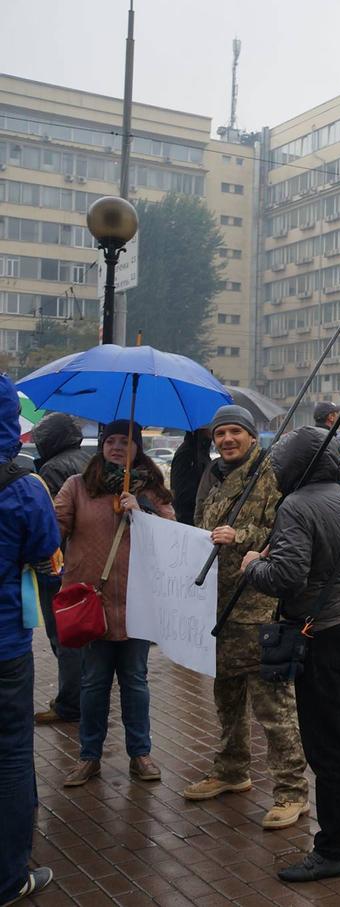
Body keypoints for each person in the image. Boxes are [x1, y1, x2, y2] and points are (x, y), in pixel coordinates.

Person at [241, 427, 340, 882]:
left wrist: (251, 565)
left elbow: (286, 576)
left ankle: (335, 848)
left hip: (327, 634)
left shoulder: (297, 505)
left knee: (329, 744)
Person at [182, 405, 310, 828]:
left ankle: (292, 792)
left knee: (274, 708)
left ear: (253, 437)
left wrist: (244, 536)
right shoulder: (214, 479)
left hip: (259, 610)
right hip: (218, 611)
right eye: (221, 434)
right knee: (227, 701)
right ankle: (232, 771)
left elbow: (286, 535)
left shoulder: (272, 476)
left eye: (236, 432)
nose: (227, 440)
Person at [54, 419, 175, 787]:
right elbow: (54, 527)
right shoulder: (77, 487)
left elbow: (172, 532)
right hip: (92, 604)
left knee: (135, 681)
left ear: (138, 449)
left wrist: (143, 511)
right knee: (93, 683)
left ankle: (140, 753)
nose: (118, 447)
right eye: (111, 441)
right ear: (101, 445)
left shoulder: (152, 491)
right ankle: (89, 756)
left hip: (138, 605)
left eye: (126, 441)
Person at [0, 375, 62, 904]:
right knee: (12, 756)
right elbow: (47, 555)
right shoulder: (23, 487)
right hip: (5, 646)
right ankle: (8, 876)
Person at [30, 412, 92, 725]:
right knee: (85, 633)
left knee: (65, 635)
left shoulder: (53, 468)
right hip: (88, 560)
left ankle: (70, 703)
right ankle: (86, 692)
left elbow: (50, 521)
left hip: (59, 563)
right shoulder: (88, 459)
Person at [170, 427, 212, 524]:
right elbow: (182, 494)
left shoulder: (202, 451)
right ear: (200, 429)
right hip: (189, 520)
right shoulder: (186, 453)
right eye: (209, 425)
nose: (212, 428)